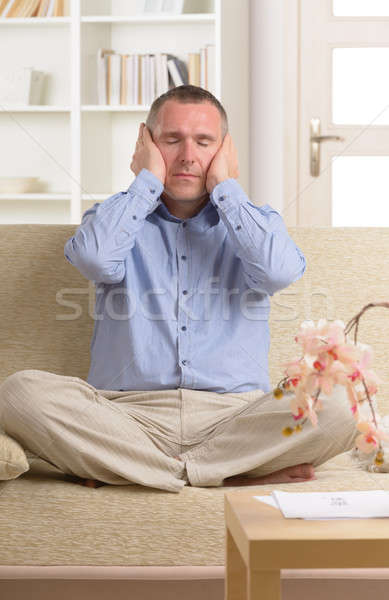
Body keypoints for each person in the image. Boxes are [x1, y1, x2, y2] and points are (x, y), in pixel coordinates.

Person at [0, 85, 358, 492]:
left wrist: (226, 188)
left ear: (224, 150)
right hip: (125, 418)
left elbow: (278, 272)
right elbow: (95, 258)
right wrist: (147, 180)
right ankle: (221, 473)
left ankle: (140, 470)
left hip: (236, 419)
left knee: (341, 404)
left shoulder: (254, 222)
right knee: (19, 392)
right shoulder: (115, 218)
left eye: (204, 142)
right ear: (146, 143)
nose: (188, 155)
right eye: (172, 140)